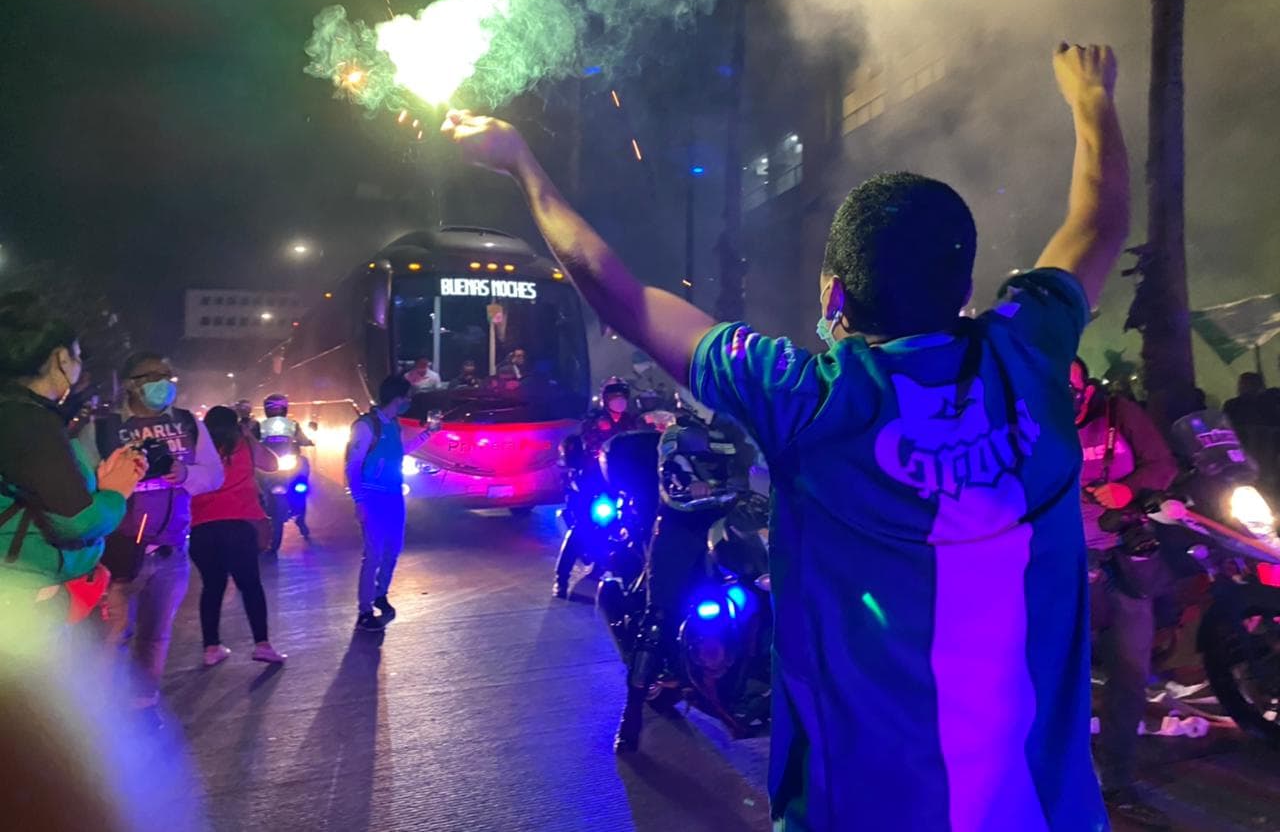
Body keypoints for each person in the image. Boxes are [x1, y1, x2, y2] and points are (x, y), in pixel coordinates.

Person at [444, 43, 1128, 829]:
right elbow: (1097, 221)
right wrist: (1092, 100)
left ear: (835, 296)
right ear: (965, 289)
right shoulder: (1029, 352)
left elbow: (623, 298)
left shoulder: (804, 398)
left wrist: (522, 165)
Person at [79, 351, 224, 720]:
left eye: (167, 376)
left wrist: (184, 473)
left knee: (156, 636)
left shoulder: (188, 424)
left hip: (171, 552)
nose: (163, 384)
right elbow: (80, 485)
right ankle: (104, 714)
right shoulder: (103, 429)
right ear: (131, 385)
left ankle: (144, 703)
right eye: (152, 377)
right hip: (118, 554)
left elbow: (214, 475)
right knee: (111, 637)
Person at [615, 413, 765, 751]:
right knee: (658, 618)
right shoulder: (681, 432)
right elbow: (671, 476)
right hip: (681, 527)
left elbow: (759, 468)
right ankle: (632, 713)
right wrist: (690, 486)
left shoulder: (742, 426)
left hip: (729, 522)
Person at [1071, 357, 1178, 828]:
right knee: (1064, 674)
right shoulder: (1035, 418)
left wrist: (1127, 489)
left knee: (1130, 675)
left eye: (1071, 387)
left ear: (1086, 386)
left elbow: (1164, 466)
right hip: (1066, 564)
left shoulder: (1119, 413)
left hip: (1125, 557)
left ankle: (1117, 778)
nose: (1064, 396)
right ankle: (1070, 774)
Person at [0, 292, 145, 619]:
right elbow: (75, 522)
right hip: (21, 604)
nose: (79, 366)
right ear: (61, 358)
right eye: (77, 356)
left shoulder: (15, 412)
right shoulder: (28, 420)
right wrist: (114, 494)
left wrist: (98, 486)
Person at [188, 406, 287, 666]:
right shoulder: (245, 445)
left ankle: (211, 648)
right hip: (238, 527)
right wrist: (249, 435)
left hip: (202, 528)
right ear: (236, 426)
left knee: (212, 587)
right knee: (250, 586)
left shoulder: (195, 450)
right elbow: (272, 464)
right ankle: (262, 645)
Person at [551, 377, 641, 598]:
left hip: (623, 481)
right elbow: (593, 448)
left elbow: (640, 445)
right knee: (583, 528)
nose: (619, 401)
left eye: (622, 396)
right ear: (605, 399)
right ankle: (561, 579)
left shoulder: (631, 421)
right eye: (614, 396)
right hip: (595, 481)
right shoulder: (594, 421)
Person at [345, 374, 418, 632]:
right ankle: (364, 611)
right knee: (373, 554)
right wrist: (359, 501)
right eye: (407, 397)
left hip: (394, 496)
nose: (409, 402)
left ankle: (381, 594)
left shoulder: (394, 425)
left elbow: (400, 452)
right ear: (397, 398)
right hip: (373, 498)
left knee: (393, 549)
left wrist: (428, 435)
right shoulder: (366, 426)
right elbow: (352, 465)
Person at [259, 393, 314, 546]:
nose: (275, 411)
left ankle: (301, 517)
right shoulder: (259, 426)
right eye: (271, 408)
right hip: (269, 463)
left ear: (284, 409)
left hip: (289, 460)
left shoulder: (293, 425)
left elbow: (302, 438)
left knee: (303, 467)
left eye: (277, 408)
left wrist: (307, 441)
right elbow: (252, 440)